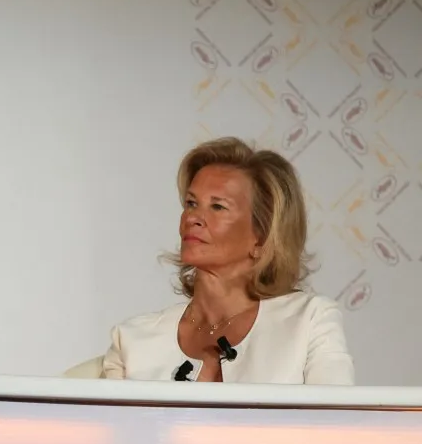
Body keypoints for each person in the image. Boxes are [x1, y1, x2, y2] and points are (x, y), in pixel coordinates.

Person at [101, 137, 354, 384]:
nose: (193, 218)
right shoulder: (132, 341)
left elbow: (336, 422)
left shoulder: (309, 322)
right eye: (191, 203)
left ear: (261, 237)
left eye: (217, 207)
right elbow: (110, 426)